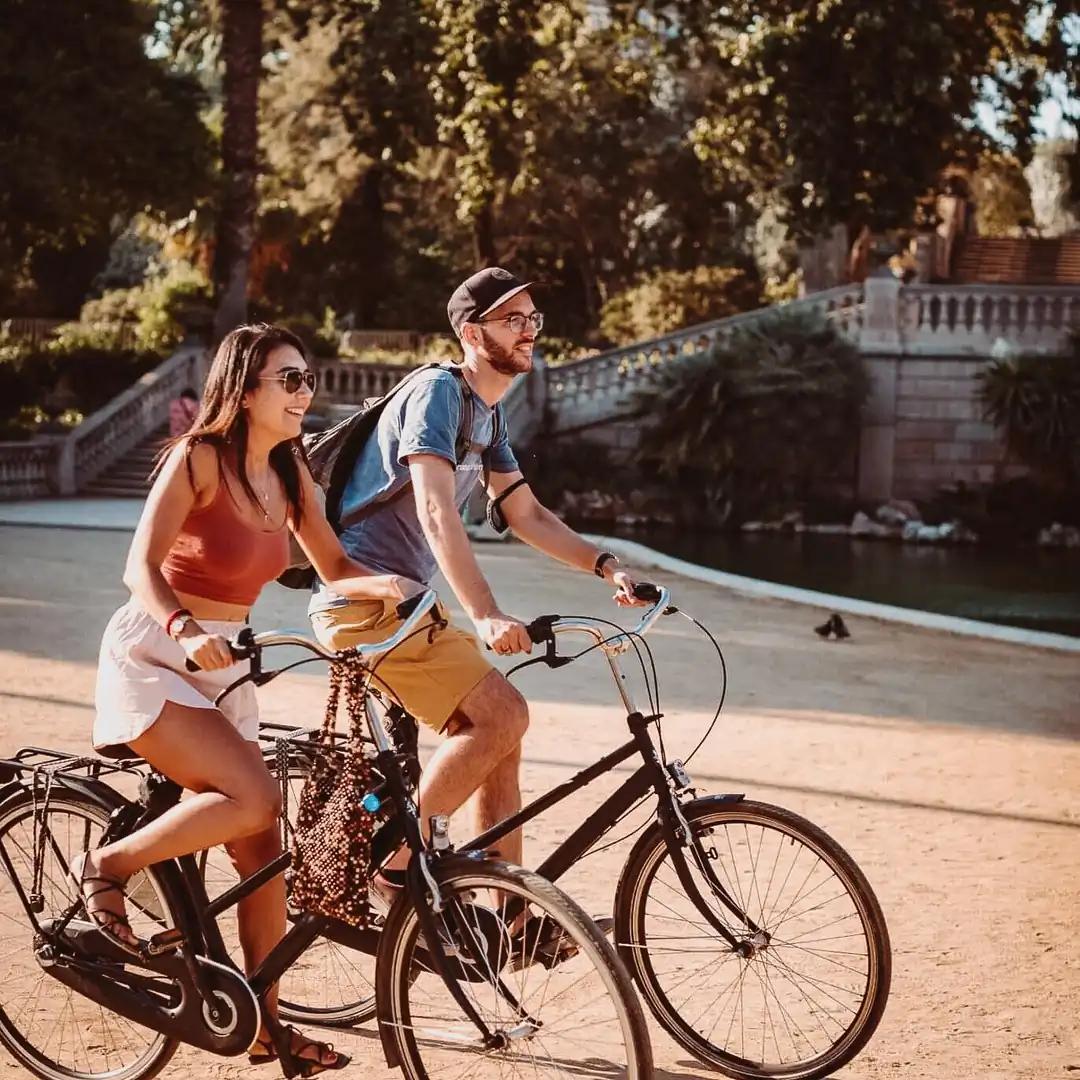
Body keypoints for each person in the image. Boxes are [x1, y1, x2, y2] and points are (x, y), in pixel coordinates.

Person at [84, 323, 416, 1075]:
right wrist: (182, 625)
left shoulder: (293, 470)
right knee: (259, 797)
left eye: (306, 379)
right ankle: (108, 866)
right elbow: (139, 565)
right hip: (156, 651)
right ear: (245, 389)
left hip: (228, 665)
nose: (306, 393)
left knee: (262, 851)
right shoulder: (198, 459)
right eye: (290, 380)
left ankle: (266, 1023)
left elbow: (332, 561)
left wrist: (392, 592)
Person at [308, 267, 643, 926]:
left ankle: (510, 922)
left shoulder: (486, 412)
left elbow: (525, 513)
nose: (529, 332)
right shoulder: (438, 392)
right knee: (503, 716)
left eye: (533, 319)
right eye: (512, 320)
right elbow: (436, 511)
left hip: (406, 608)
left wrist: (606, 567)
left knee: (500, 735)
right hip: (367, 604)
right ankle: (393, 869)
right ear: (472, 332)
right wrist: (485, 612)